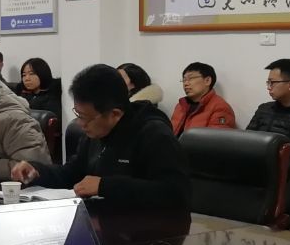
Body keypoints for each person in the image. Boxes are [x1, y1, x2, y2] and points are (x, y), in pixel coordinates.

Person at [11, 64, 190, 210]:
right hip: (105, 222)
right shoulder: (95, 132)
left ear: (115, 114)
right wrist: (37, 171)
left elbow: (175, 193)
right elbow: (72, 174)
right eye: (78, 114)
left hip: (150, 232)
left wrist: (105, 186)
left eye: (85, 117)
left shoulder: (154, 134)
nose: (81, 124)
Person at [170, 62, 236, 135]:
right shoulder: (180, 106)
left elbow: (216, 140)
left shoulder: (220, 108)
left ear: (207, 81)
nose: (185, 83)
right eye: (184, 80)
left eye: (190, 78)